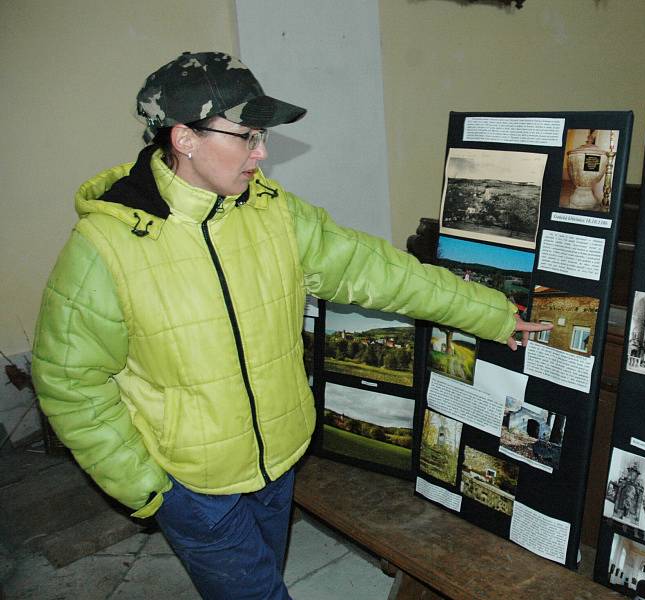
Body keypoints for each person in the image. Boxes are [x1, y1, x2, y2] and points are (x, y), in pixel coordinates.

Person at [31, 51, 551, 600]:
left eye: (263, 136)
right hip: (193, 485)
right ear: (183, 138)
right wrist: (149, 488)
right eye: (248, 136)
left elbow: (381, 272)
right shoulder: (106, 247)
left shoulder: (274, 213)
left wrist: (492, 313)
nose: (262, 152)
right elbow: (70, 382)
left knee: (263, 578)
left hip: (279, 462)